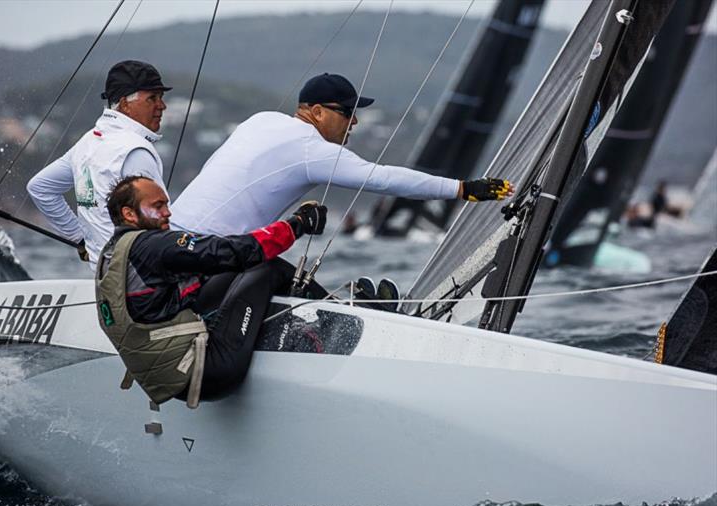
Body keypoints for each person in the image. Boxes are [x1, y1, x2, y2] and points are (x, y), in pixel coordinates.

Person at [170, 72, 513, 236]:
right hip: (203, 251)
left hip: (166, 237)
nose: (355, 120)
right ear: (317, 112)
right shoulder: (310, 149)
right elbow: (383, 179)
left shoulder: (260, 120)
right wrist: (463, 189)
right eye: (347, 112)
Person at [95, 175, 327, 407]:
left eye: (166, 204)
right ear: (129, 214)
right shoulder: (151, 245)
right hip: (208, 372)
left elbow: (211, 270)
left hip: (174, 374)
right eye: (158, 206)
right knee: (267, 268)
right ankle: (337, 315)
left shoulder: (113, 253)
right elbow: (228, 251)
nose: (168, 212)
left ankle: (287, 326)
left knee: (233, 270)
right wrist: (296, 225)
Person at [27, 60, 172, 266]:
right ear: (124, 104)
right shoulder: (135, 150)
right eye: (152, 98)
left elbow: (40, 188)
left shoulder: (88, 141)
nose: (162, 106)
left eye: (161, 98)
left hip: (103, 277)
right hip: (139, 280)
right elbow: (162, 221)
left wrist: (80, 238)